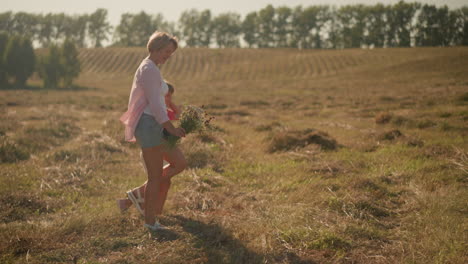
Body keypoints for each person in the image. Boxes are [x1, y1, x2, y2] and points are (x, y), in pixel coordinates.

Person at [118, 31, 187, 232]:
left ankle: (136, 195)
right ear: (155, 48)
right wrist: (171, 128)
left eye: (171, 53)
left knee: (180, 162)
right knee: (156, 176)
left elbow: (161, 101)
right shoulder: (149, 69)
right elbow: (156, 105)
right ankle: (150, 222)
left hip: (155, 124)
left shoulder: (152, 68)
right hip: (149, 126)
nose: (169, 56)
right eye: (167, 51)